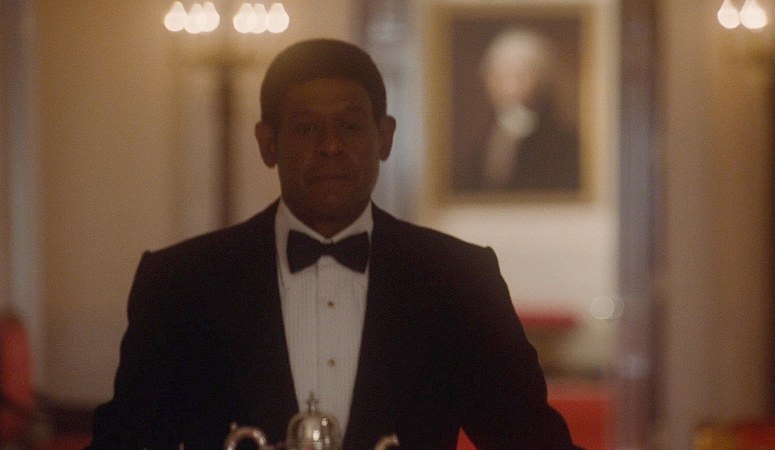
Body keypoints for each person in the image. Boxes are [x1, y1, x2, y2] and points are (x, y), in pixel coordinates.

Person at [89, 39, 583, 450]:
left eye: (349, 125)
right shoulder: (180, 282)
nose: (330, 145)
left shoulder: (460, 279)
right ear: (268, 143)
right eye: (306, 128)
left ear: (385, 137)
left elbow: (531, 441)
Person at [453, 28, 580, 192]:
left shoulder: (560, 141)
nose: (510, 86)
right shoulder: (485, 134)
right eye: (500, 76)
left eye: (520, 75)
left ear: (542, 81)